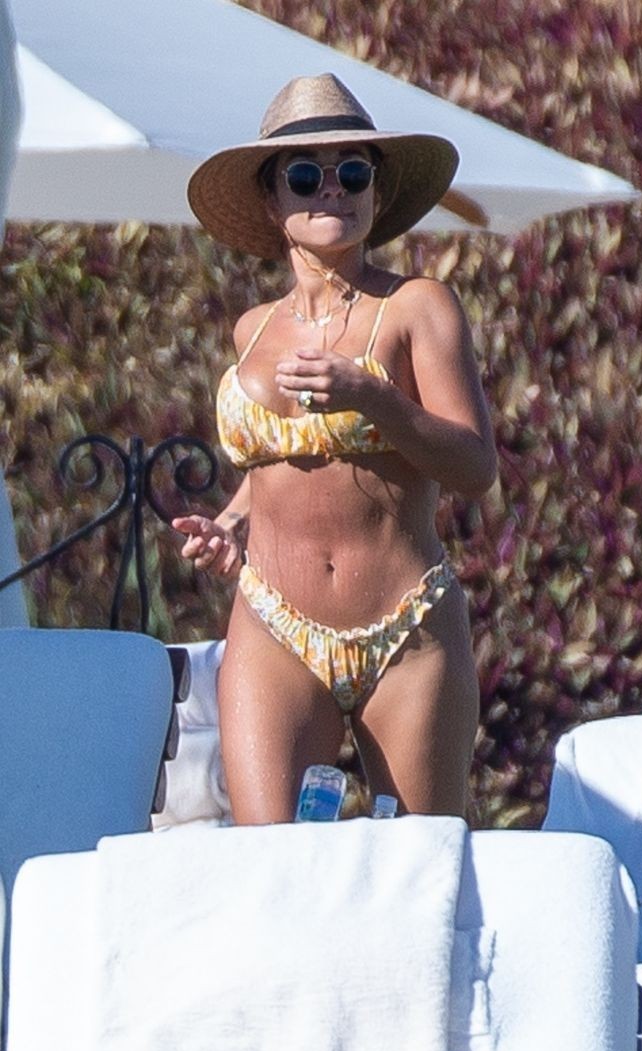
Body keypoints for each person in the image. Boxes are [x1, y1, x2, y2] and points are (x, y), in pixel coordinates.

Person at [171, 74, 496, 823]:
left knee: (420, 859)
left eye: (353, 172)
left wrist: (373, 398)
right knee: (271, 861)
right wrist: (229, 525)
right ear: (271, 201)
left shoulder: (415, 306)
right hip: (273, 624)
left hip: (405, 626)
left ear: (375, 193)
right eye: (305, 175)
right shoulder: (251, 329)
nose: (332, 190)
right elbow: (275, 461)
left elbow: (476, 467)